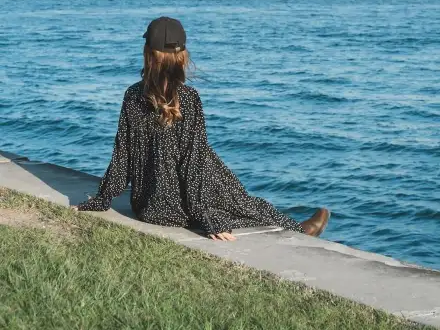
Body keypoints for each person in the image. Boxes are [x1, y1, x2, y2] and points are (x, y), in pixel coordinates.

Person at [76, 16, 330, 241]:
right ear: (183, 56)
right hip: (179, 210)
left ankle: (291, 225)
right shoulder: (188, 98)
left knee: (218, 175)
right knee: (241, 201)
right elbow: (192, 163)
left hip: (148, 206)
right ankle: (298, 229)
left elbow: (122, 156)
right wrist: (207, 217)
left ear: (147, 53)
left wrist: (102, 199)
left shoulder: (132, 95)